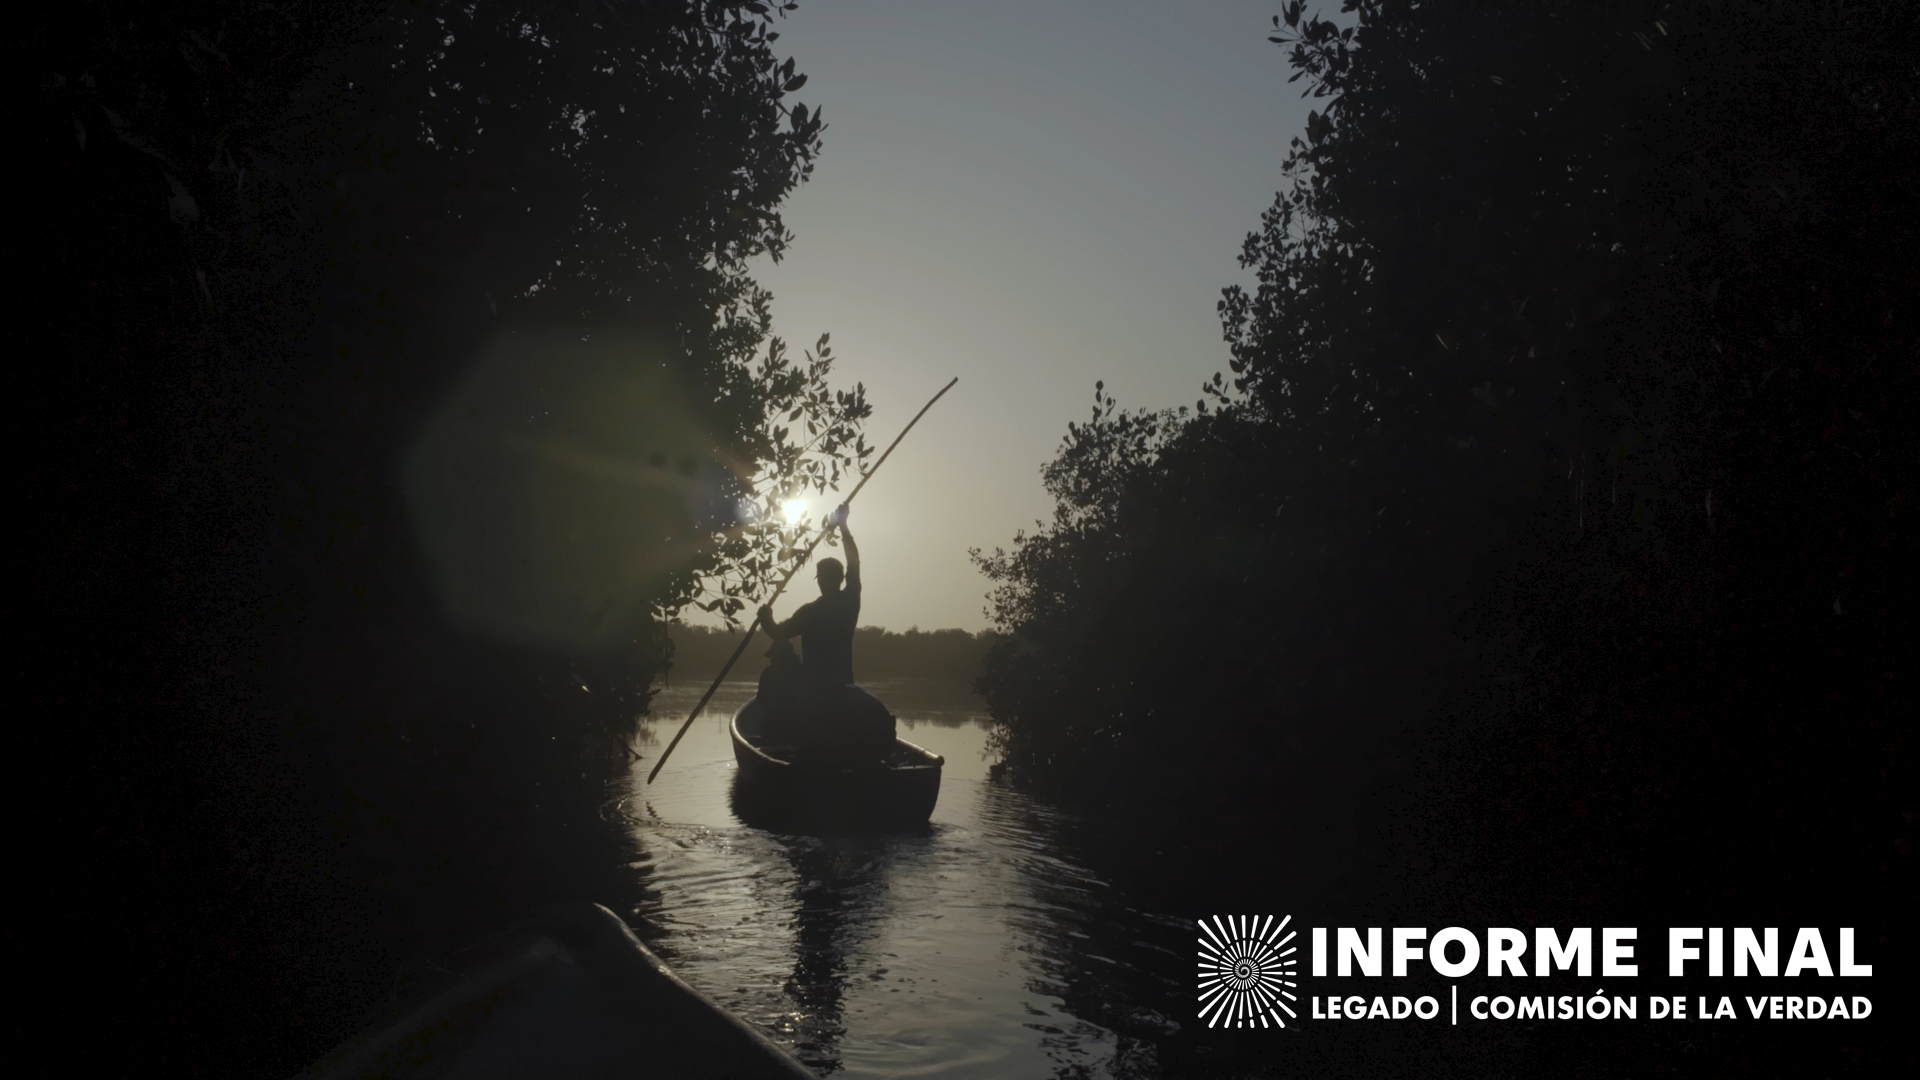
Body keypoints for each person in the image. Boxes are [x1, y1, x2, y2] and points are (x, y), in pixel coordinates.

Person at [759, 502, 860, 689]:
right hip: (843, 684)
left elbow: (777, 633)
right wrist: (843, 525)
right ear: (841, 578)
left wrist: (765, 618)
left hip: (815, 688)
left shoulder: (810, 612)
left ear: (819, 580)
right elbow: (854, 562)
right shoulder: (850, 601)